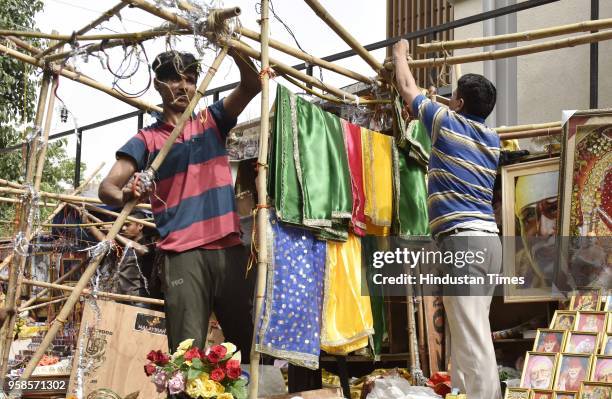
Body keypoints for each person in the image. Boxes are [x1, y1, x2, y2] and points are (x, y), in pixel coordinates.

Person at [99, 49, 260, 359]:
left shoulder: (213, 120)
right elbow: (107, 188)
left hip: (228, 249)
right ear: (159, 84)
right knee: (187, 356)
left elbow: (252, 84)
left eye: (190, 79)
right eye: (174, 79)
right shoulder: (147, 140)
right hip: (183, 253)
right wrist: (129, 196)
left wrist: (231, 44)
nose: (184, 87)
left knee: (245, 346)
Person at [393, 39, 502, 399]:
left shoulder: (446, 122)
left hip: (463, 241)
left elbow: (406, 87)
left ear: (457, 102)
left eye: (451, 97)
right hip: (488, 241)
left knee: (472, 338)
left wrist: (399, 53)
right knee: (472, 331)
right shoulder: (491, 138)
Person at [116, 210, 160, 308]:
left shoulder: (148, 242)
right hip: (121, 296)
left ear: (140, 226)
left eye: (127, 225)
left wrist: (115, 234)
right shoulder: (122, 244)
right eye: (122, 225)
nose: (123, 228)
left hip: (139, 299)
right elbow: (105, 240)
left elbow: (142, 249)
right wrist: (90, 225)